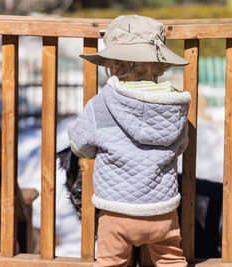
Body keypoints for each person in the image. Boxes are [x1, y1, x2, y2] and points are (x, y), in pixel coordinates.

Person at [68, 14, 190, 267]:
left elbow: (78, 146)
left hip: (116, 212)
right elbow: (180, 147)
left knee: (110, 263)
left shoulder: (100, 104)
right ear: (162, 65)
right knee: (171, 261)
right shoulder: (175, 107)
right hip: (162, 211)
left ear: (114, 65)